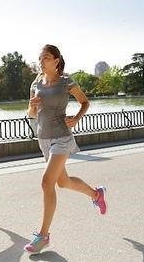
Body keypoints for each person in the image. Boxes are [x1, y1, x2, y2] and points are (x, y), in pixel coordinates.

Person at [24, 44, 107, 254]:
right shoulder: (36, 82)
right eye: (39, 58)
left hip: (61, 137)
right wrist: (33, 106)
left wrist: (76, 118)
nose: (41, 61)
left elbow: (85, 102)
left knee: (46, 182)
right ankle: (96, 194)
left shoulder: (66, 81)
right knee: (63, 182)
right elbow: (32, 114)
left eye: (45, 58)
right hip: (43, 138)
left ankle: (43, 236)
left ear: (56, 60)